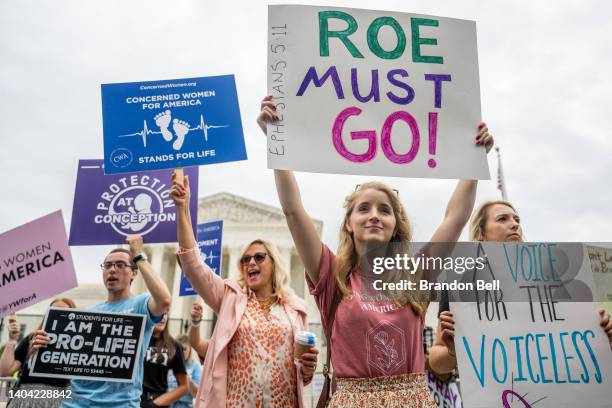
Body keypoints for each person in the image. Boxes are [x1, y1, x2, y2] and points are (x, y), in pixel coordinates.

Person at [258, 95, 494, 407]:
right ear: (348, 225)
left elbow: (455, 218)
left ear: (395, 226)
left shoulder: (416, 275)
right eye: (364, 209)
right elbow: (293, 211)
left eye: (384, 210)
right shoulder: (332, 274)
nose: (373, 215)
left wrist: (472, 162)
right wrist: (276, 143)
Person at [170, 175, 319, 408]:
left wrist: (308, 368)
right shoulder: (229, 297)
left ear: (274, 263)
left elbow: (301, 372)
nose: (251, 263)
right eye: (246, 259)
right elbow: (192, 263)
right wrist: (182, 208)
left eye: (259, 257)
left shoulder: (295, 308)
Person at [428, 200, 612, 374]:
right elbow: (437, 363)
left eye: (517, 220)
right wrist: (453, 351)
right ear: (481, 233)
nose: (514, 224)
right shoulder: (461, 283)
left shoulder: (551, 279)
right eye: (502, 219)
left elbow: (577, 339)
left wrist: (603, 334)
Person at [27, 235, 172, 407]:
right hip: (74, 403)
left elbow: (164, 300)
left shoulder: (141, 304)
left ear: (134, 272)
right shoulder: (88, 313)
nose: (112, 270)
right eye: (108, 265)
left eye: (120, 265)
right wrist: (40, 348)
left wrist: (138, 255)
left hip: (119, 404)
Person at [0, 298, 76, 408]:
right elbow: (4, 371)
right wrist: (12, 339)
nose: (58, 315)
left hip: (59, 402)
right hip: (25, 401)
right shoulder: (32, 338)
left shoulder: (78, 345)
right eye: (53, 310)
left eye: (64, 312)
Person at [141, 313, 188, 407]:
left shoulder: (174, 346)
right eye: (159, 312)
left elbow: (184, 387)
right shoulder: (137, 339)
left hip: (157, 403)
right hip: (133, 401)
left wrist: (156, 403)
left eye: (165, 313)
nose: (163, 317)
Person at [167, 334, 203, 408]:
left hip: (184, 404)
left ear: (190, 350)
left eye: (184, 349)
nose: (181, 352)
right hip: (167, 402)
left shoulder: (195, 366)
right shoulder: (169, 362)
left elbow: (197, 394)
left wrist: (189, 381)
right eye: (179, 349)